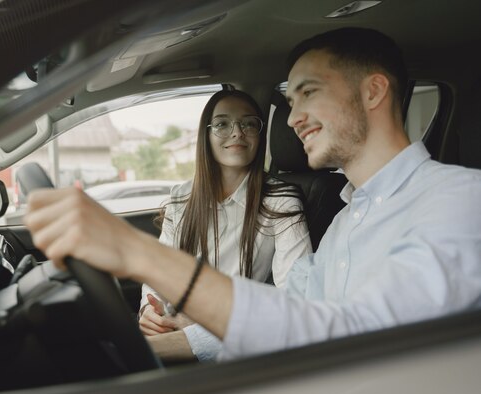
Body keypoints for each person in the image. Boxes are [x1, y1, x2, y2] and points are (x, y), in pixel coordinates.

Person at [24, 27, 481, 361]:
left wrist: (138, 252)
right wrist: (144, 347)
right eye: (290, 100)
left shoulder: (460, 199)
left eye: (308, 93)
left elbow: (358, 338)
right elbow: (287, 318)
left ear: (373, 91)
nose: (292, 116)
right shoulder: (345, 222)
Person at [138, 90, 312, 362]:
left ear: (259, 134)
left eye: (249, 124)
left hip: (233, 337)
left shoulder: (281, 200)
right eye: (222, 124)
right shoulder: (181, 197)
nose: (237, 133)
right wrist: (149, 311)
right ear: (205, 136)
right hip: (171, 324)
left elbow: (293, 297)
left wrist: (198, 326)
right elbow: (159, 271)